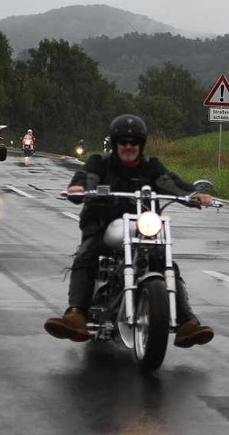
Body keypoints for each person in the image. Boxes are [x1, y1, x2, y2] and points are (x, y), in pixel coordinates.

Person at [44, 114, 215, 348]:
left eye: (134, 142)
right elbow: (86, 178)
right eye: (123, 141)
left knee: (166, 264)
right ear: (115, 144)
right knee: (87, 255)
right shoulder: (99, 163)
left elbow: (170, 183)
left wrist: (193, 195)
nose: (128, 146)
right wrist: (79, 188)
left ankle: (186, 322)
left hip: (141, 228)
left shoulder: (151, 167)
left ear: (141, 144)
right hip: (104, 227)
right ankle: (76, 315)